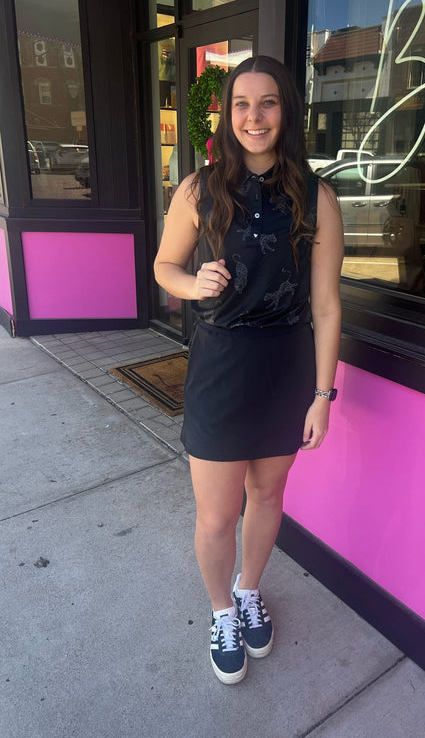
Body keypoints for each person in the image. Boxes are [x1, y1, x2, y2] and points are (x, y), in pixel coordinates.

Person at [154, 55, 343, 685]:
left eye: (267, 103)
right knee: (215, 514)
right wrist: (194, 280)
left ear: (286, 112)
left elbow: (325, 304)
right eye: (241, 103)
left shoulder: (317, 197)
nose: (254, 117)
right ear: (226, 113)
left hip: (286, 366)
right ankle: (221, 610)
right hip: (220, 362)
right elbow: (164, 268)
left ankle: (250, 587)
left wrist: (322, 394)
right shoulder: (199, 189)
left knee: (267, 494)